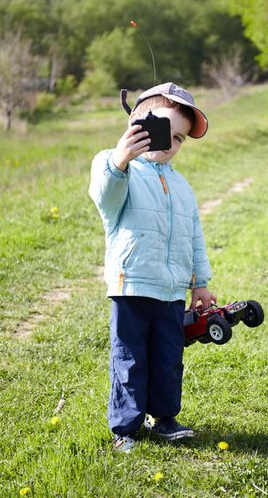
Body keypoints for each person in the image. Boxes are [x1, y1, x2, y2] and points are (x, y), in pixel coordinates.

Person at [88, 82, 216, 453]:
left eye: (179, 139)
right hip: (131, 287)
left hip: (172, 289)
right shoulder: (114, 165)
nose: (170, 143)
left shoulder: (182, 187)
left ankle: (164, 419)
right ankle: (125, 428)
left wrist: (200, 283)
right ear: (137, 123)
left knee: (167, 358)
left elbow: (194, 236)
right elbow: (105, 196)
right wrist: (121, 159)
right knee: (129, 358)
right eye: (162, 131)